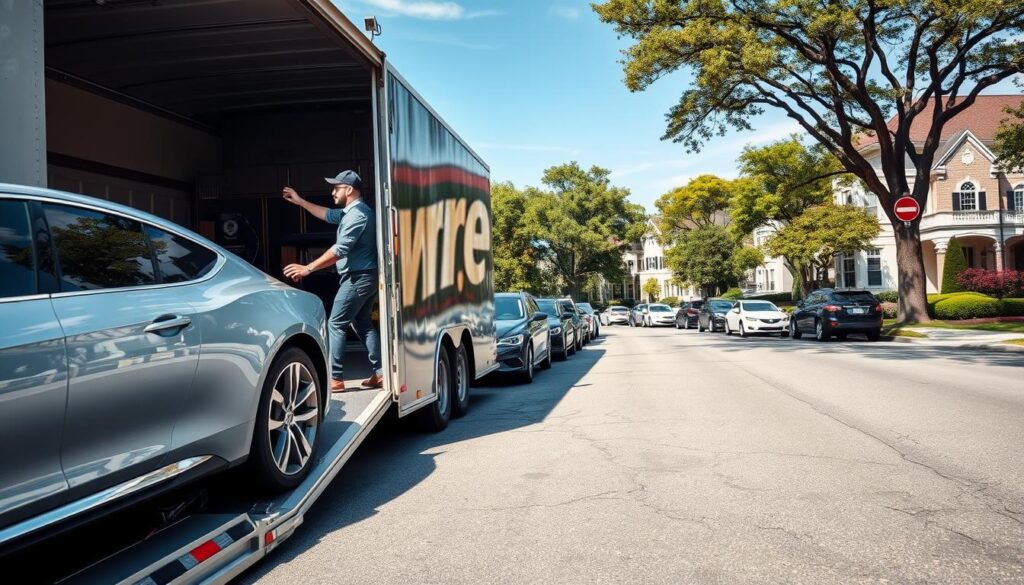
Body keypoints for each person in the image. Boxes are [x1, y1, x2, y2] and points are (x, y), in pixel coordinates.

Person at [282, 171, 383, 392]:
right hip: (363, 276)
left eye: (336, 188)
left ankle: (335, 378)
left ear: (349, 190)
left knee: (336, 323)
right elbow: (327, 214)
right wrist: (300, 202)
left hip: (357, 278)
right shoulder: (351, 213)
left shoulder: (357, 216)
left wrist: (308, 267)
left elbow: (339, 249)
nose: (332, 192)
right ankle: (380, 372)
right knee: (362, 323)